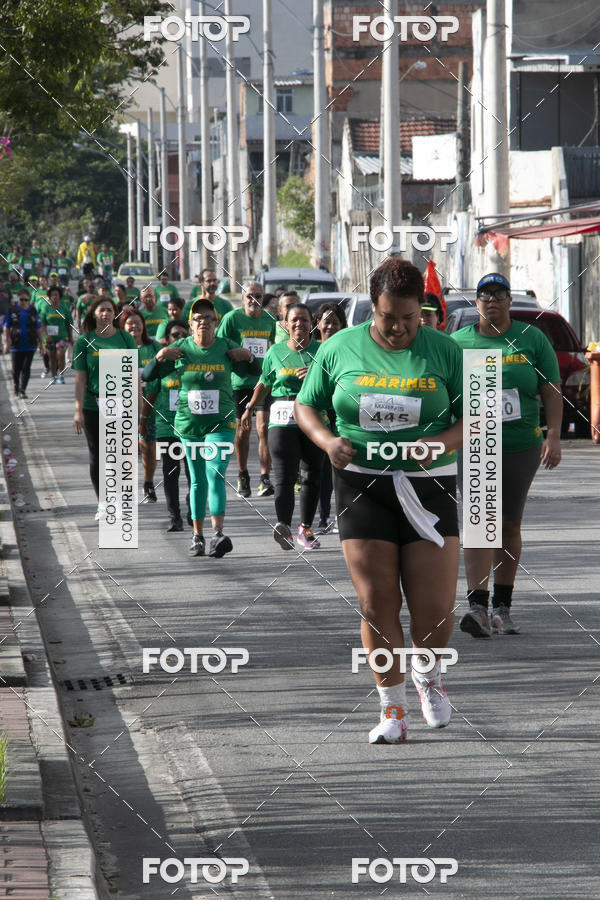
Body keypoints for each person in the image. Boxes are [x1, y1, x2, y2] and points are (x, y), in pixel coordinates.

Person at [295, 258, 464, 744]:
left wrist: (441, 443)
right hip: (363, 485)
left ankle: (428, 674)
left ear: (423, 310)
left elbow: (473, 417)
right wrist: (327, 441)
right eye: (389, 317)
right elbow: (307, 405)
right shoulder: (338, 348)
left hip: (429, 485)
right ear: (374, 306)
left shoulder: (445, 351)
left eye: (409, 318)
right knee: (376, 601)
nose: (399, 328)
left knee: (434, 608)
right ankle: (392, 710)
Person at [452, 272, 562, 637]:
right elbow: (442, 391)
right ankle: (477, 607)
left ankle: (503, 605)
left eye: (499, 294)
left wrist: (555, 436)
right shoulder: (458, 342)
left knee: (509, 523)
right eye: (485, 294)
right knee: (480, 521)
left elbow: (550, 390)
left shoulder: (531, 339)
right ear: (477, 302)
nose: (492, 300)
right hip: (475, 444)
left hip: (520, 444)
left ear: (509, 301)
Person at [142, 298, 260, 557]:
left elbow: (257, 370)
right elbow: (147, 376)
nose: (203, 322)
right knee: (197, 481)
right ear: (190, 324)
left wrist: (249, 356)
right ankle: (197, 536)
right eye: (198, 319)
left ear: (216, 323)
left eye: (208, 318)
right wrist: (161, 356)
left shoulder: (227, 347)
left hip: (221, 422)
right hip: (189, 425)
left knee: (215, 472)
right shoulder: (180, 349)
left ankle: (218, 534)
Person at [241, 303, 324, 549]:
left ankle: (305, 529)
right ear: (285, 325)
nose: (299, 324)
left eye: (304, 320)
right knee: (284, 475)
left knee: (311, 475)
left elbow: (336, 382)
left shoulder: (322, 351)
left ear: (312, 324)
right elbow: (264, 383)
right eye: (294, 320)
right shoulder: (275, 352)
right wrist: (249, 407)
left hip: (313, 416)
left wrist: (316, 373)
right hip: (283, 417)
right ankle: (283, 527)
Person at [72, 297, 139, 512]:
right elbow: (81, 379)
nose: (106, 314)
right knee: (98, 455)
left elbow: (133, 376)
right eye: (101, 310)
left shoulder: (125, 339)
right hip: (93, 405)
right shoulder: (84, 342)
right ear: (93, 314)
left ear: (115, 314)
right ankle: (103, 502)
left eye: (110, 310)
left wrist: (137, 407)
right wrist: (77, 411)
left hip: (121, 404)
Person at [217, 281, 277, 498]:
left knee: (264, 428)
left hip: (263, 381)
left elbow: (274, 345)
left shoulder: (269, 320)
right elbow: (220, 343)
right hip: (240, 383)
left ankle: (265, 477)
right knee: (244, 430)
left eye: (258, 297)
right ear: (243, 297)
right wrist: (238, 352)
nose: (254, 301)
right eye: (250, 296)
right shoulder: (232, 318)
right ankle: (243, 474)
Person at [143, 319, 192, 531]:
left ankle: (193, 512)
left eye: (183, 334)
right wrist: (143, 420)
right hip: (167, 427)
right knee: (170, 473)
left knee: (194, 473)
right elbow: (151, 393)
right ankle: (175, 518)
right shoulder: (162, 364)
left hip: (192, 428)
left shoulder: (196, 360)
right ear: (167, 340)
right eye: (175, 335)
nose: (179, 338)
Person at [312, 302, 348, 533]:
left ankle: (342, 515)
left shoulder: (349, 350)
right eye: (327, 322)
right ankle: (323, 517)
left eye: (335, 323)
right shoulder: (312, 351)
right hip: (320, 416)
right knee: (322, 470)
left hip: (343, 414)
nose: (331, 327)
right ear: (318, 325)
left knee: (343, 469)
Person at [120, 307, 162, 503]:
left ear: (143, 326)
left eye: (138, 323)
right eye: (130, 323)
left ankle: (148, 483)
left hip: (149, 406)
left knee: (148, 447)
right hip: (124, 407)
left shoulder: (152, 347)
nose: (134, 326)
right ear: (123, 326)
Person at [3, 288, 42, 398]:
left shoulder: (33, 310)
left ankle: (22, 389)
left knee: (26, 367)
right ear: (18, 299)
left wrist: (42, 345)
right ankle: (16, 387)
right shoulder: (12, 310)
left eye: (26, 300)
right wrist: (7, 342)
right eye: (22, 299)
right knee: (16, 369)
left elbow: (38, 328)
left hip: (30, 344)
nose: (24, 302)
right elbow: (6, 327)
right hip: (16, 344)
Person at [39, 285, 72, 384]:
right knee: (52, 357)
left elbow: (69, 323)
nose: (55, 297)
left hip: (63, 336)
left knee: (61, 354)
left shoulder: (64, 308)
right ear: (49, 297)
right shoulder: (46, 308)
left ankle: (61, 376)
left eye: (57, 295)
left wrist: (70, 337)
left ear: (60, 296)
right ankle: (53, 377)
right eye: (52, 295)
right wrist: (46, 335)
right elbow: (43, 323)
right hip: (49, 338)